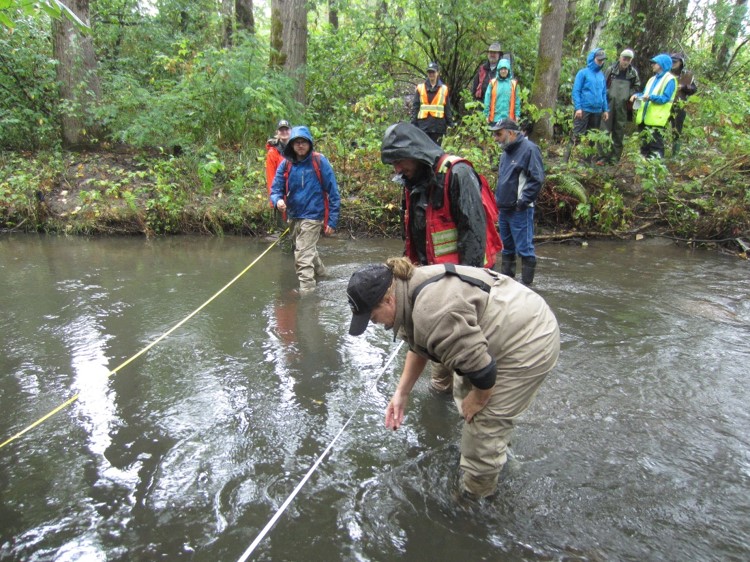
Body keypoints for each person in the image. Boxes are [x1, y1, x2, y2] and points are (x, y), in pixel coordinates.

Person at [346, 257, 560, 499]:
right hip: (503, 318)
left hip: (529, 339)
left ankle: (475, 501)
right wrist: (401, 393)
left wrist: (480, 399)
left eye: (373, 318)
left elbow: (484, 372)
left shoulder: (432, 313)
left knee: (482, 424)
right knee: (463, 395)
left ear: (388, 300)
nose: (375, 325)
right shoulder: (404, 288)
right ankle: (499, 453)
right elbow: (419, 345)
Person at [381, 121, 503, 393]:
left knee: (469, 363)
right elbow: (413, 237)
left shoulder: (457, 174)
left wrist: (460, 290)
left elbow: (474, 236)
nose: (397, 169)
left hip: (467, 287)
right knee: (437, 362)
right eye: (394, 164)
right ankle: (440, 400)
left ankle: (474, 400)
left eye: (400, 161)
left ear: (417, 152)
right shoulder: (412, 181)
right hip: (433, 284)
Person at [270, 126, 340, 293]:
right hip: (293, 216)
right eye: (296, 142)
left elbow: (333, 192)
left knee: (302, 256)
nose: (300, 145)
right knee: (307, 251)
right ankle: (324, 275)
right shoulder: (286, 164)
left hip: (313, 216)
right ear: (291, 145)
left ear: (309, 143)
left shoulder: (319, 161)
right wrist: (278, 201)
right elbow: (276, 189)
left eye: (303, 142)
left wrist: (332, 220)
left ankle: (307, 293)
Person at [491, 119, 544, 286]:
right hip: (504, 209)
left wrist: (522, 202)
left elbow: (537, 179)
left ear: (511, 133)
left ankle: (528, 288)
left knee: (525, 250)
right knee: (507, 249)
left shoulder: (530, 149)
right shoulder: (506, 151)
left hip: (520, 210)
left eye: (498, 134)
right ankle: (508, 286)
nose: (496, 138)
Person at [563, 48, 610, 163]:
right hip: (583, 109)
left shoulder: (601, 76)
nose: (601, 62)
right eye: (599, 60)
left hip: (597, 111)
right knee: (576, 135)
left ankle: (587, 161)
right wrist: (578, 108)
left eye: (602, 60)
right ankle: (566, 160)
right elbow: (576, 91)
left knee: (592, 136)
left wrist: (605, 109)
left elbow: (603, 93)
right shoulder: (583, 73)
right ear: (593, 59)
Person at [630, 54, 677, 159]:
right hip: (644, 118)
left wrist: (651, 97)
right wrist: (637, 95)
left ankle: (654, 171)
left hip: (657, 120)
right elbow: (645, 93)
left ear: (662, 65)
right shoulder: (652, 79)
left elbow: (665, 98)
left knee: (656, 147)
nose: (652, 65)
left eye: (655, 63)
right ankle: (644, 169)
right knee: (644, 146)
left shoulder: (670, 80)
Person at [602, 49, 641, 163]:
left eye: (628, 60)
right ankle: (602, 157)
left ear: (631, 61)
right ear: (620, 58)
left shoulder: (633, 73)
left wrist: (628, 95)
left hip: (623, 107)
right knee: (604, 130)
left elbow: (637, 87)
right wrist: (607, 94)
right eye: (624, 59)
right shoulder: (611, 70)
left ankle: (614, 158)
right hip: (609, 104)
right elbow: (603, 85)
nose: (626, 62)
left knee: (619, 132)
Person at [411, 62, 452, 146]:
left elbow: (447, 108)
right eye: (429, 72)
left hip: (438, 127)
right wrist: (413, 123)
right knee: (423, 150)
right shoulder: (420, 88)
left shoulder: (444, 89)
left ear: (437, 73)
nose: (431, 74)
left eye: (433, 72)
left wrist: (450, 123)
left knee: (436, 152)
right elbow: (416, 107)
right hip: (423, 126)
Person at [669, 52, 697, 156]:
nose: (673, 63)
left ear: (681, 62)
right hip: (665, 103)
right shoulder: (666, 73)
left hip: (679, 104)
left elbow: (694, 89)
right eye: (672, 61)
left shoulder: (687, 75)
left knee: (676, 129)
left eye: (675, 62)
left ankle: (675, 154)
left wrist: (684, 87)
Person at [483, 59, 520, 126]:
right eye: (501, 69)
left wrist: (517, 115)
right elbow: (487, 100)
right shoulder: (493, 83)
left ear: (508, 70)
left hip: (509, 119)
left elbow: (517, 101)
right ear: (498, 70)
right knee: (495, 136)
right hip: (494, 119)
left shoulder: (513, 84)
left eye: (505, 69)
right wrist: (486, 114)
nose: (503, 71)